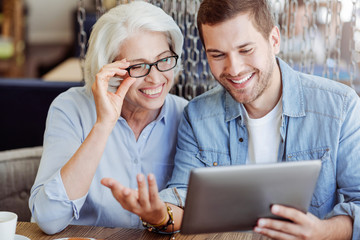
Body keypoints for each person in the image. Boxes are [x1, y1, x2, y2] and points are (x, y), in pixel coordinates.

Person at [101, 0, 360, 239]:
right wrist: (158, 215)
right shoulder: (198, 116)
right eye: (217, 55)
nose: (234, 69)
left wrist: (323, 232)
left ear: (274, 40)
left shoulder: (340, 107)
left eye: (245, 50)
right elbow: (183, 203)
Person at [29, 1, 187, 235]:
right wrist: (103, 125)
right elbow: (49, 219)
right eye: (138, 66)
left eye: (164, 60)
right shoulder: (71, 108)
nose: (155, 78)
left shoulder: (186, 116)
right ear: (109, 71)